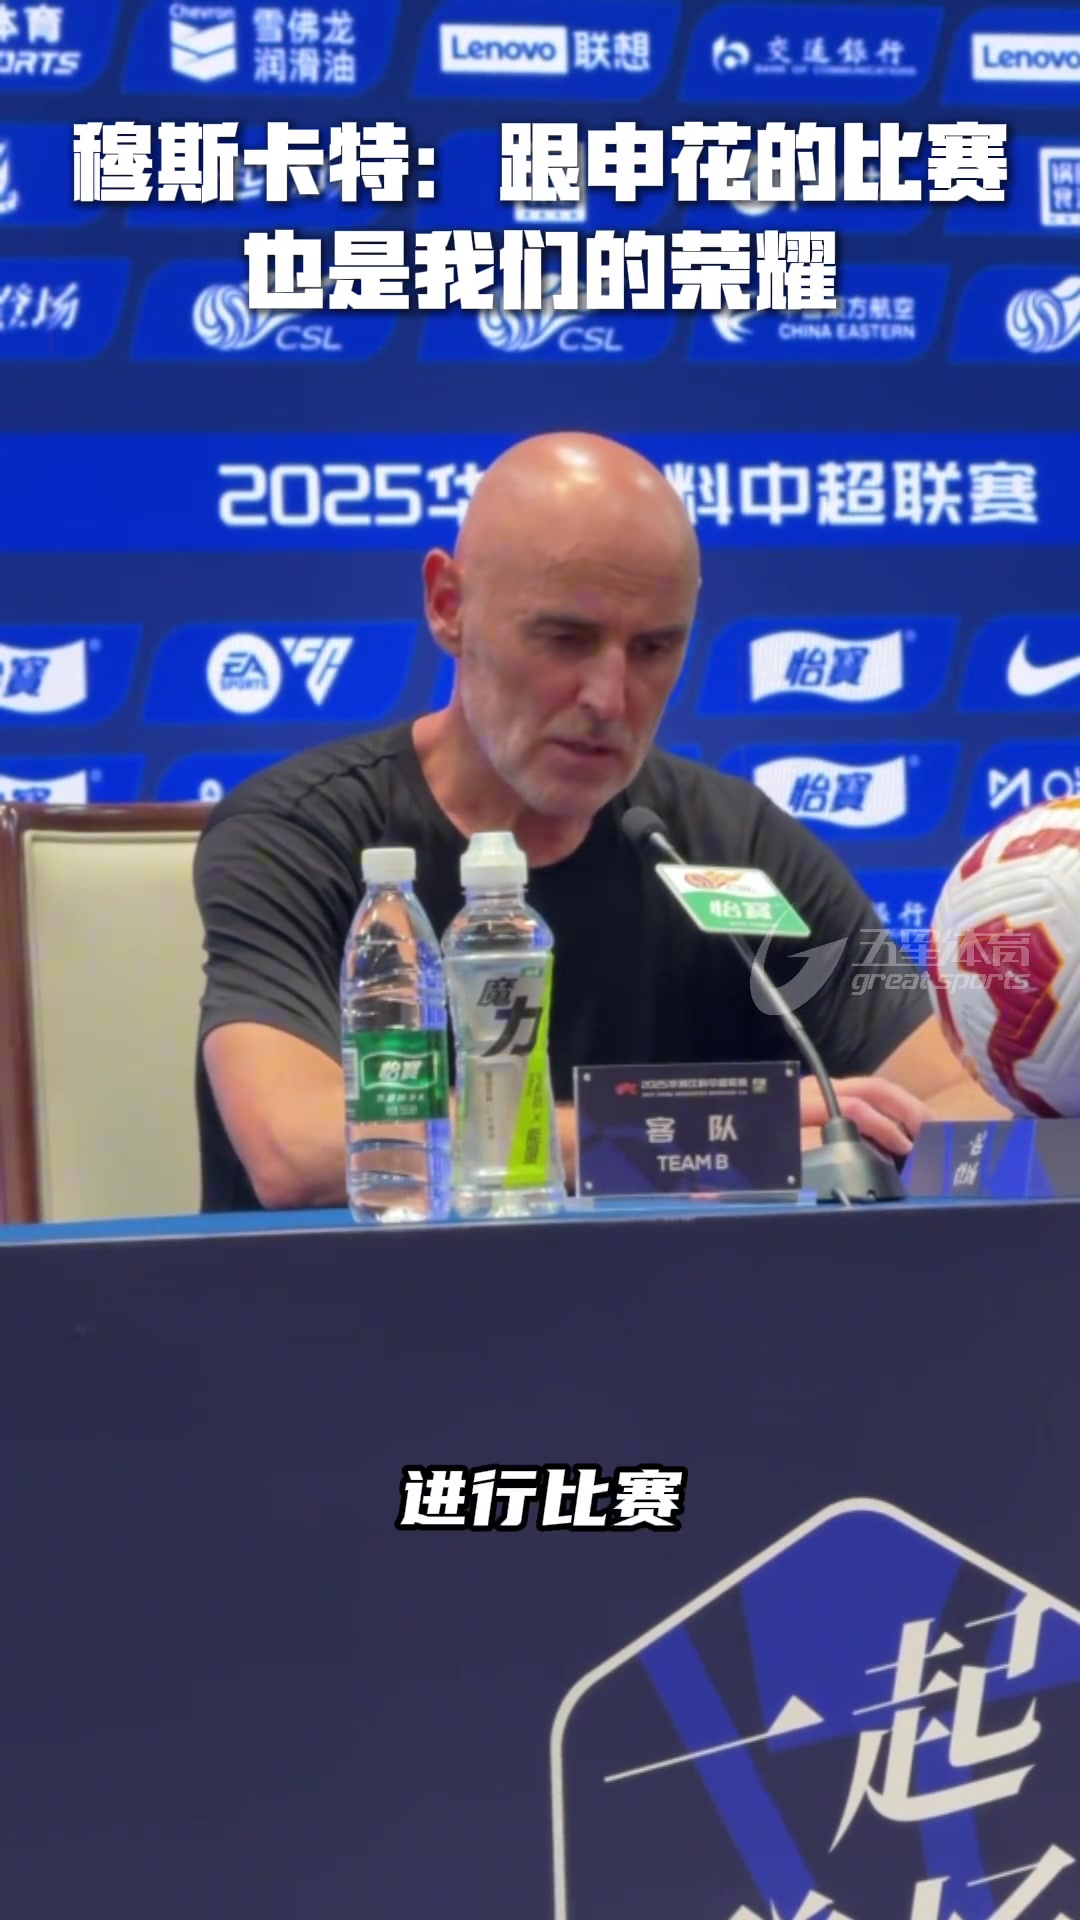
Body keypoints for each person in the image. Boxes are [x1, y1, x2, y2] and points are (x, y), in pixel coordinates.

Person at [193, 431, 1009, 1212]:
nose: (609, 698)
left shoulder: (735, 848)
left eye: (653, 649)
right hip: (371, 1302)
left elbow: (965, 1101)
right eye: (565, 638)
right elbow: (296, 1147)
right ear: (449, 606)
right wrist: (714, 1135)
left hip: (691, 1304)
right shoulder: (301, 835)